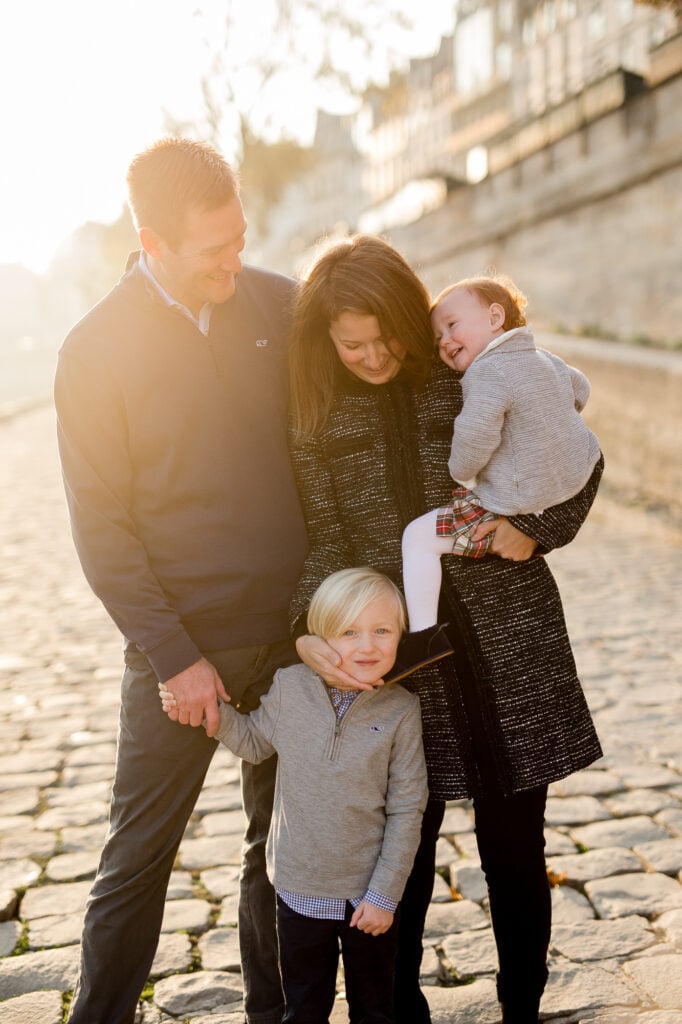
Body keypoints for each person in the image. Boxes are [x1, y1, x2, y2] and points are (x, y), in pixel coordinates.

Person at [287, 235, 604, 1024]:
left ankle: (522, 1007)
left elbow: (575, 455)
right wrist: (309, 632)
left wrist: (543, 528)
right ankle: (398, 1013)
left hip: (510, 644)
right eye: (350, 342)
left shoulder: (470, 375)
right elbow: (321, 542)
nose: (371, 355)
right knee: (401, 857)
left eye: (386, 335)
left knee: (515, 848)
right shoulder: (316, 416)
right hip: (398, 668)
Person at [54, 137, 308, 1024]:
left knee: (278, 854)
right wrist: (175, 659)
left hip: (291, 641)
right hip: (178, 656)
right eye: (213, 249)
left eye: (240, 236)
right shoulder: (93, 351)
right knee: (137, 859)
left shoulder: (277, 303)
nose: (234, 260)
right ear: (151, 242)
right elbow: (103, 530)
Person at [159, 566, 428, 1024]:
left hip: (369, 898)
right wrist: (213, 713)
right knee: (304, 1005)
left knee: (376, 1007)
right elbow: (254, 743)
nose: (367, 646)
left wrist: (385, 896)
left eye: (382, 631)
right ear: (321, 637)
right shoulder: (290, 686)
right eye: (349, 631)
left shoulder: (402, 710)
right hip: (299, 891)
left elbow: (407, 809)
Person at [401, 274, 601, 636]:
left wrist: (460, 472)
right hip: (575, 471)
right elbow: (581, 390)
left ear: (495, 318)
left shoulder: (486, 372)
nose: (445, 342)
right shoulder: (545, 358)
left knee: (418, 538)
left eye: (451, 326)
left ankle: (423, 635)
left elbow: (475, 433)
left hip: (518, 498)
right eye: (438, 338)